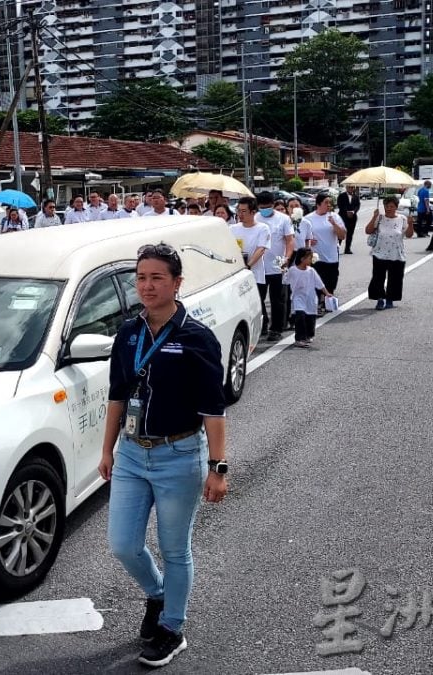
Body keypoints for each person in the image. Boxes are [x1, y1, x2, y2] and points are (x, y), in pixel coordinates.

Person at [99, 243, 229, 668]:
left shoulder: (197, 337)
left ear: (177, 283)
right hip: (133, 455)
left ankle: (172, 627)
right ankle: (158, 594)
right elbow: (118, 395)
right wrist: (108, 450)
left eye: (157, 277)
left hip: (179, 455)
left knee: (175, 548)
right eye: (141, 277)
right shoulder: (129, 333)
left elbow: (213, 408)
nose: (147, 285)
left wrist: (217, 468)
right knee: (122, 544)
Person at [255, 191, 293, 340]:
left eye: (268, 207)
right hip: (259, 265)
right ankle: (262, 325)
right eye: (262, 207)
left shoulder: (283, 219)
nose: (265, 209)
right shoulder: (255, 218)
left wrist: (287, 258)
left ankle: (276, 329)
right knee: (258, 298)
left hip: (278, 263)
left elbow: (290, 240)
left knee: (278, 299)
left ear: (273, 205)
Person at [231, 197, 273, 332]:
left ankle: (262, 324)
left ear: (253, 212)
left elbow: (261, 249)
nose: (240, 214)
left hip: (255, 272)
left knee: (256, 302)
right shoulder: (233, 228)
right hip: (237, 273)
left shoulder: (262, 228)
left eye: (244, 211)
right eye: (239, 211)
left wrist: (248, 265)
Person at [366, 196, 414, 310]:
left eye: (391, 206)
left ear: (396, 207)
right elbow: (368, 230)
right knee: (378, 278)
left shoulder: (402, 219)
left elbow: (409, 235)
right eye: (386, 206)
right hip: (379, 253)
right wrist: (374, 217)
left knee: (395, 278)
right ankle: (380, 299)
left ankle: (390, 299)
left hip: (396, 253)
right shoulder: (380, 218)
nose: (388, 208)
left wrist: (411, 224)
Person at [300, 193, 346, 311]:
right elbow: (302, 236)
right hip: (315, 256)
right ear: (318, 204)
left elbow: (342, 235)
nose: (329, 205)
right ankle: (319, 301)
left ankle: (328, 299)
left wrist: (334, 224)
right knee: (317, 279)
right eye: (326, 202)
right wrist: (310, 240)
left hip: (331, 255)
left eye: (330, 203)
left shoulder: (334, 217)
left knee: (331, 280)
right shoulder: (308, 218)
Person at [284, 247, 331, 348]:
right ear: (302, 259)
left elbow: (319, 283)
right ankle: (299, 338)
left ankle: (308, 336)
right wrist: (283, 271)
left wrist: (326, 293)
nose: (311, 260)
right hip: (298, 297)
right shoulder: (293, 270)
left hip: (310, 298)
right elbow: (286, 281)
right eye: (309, 258)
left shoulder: (311, 271)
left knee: (310, 318)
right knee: (300, 316)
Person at [337, 184, 361, 254]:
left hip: (353, 217)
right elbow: (340, 205)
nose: (351, 188)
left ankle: (347, 249)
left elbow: (358, 205)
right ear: (346, 187)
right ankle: (336, 249)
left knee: (350, 233)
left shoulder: (356, 196)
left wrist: (353, 212)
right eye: (350, 187)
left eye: (352, 187)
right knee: (341, 233)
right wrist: (346, 212)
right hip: (343, 216)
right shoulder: (341, 196)